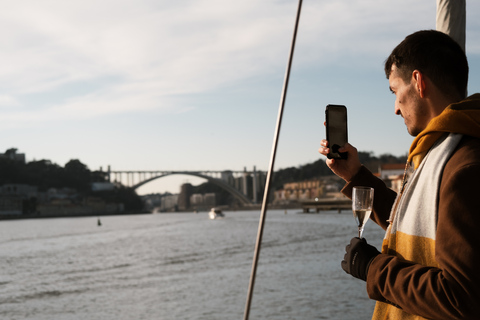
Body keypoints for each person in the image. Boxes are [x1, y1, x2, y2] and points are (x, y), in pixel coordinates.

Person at [318, 30, 480, 319]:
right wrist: (355, 175)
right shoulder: (444, 150)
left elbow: (462, 298)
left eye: (395, 91)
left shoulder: (464, 166)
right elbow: (419, 221)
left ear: (418, 82)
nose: (395, 108)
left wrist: (374, 269)